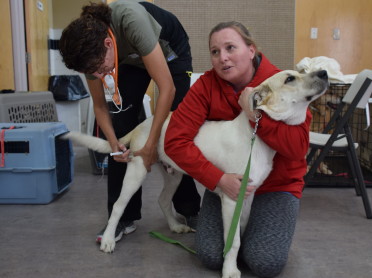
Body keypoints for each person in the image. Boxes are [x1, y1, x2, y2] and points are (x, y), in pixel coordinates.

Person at [164, 21, 310, 277]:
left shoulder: (282, 81)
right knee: (209, 256)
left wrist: (254, 117)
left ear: (251, 50)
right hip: (227, 182)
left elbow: (298, 148)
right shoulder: (206, 86)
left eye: (230, 47)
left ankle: (262, 233)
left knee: (265, 263)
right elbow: (175, 141)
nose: (223, 58)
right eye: (215, 52)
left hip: (276, 186)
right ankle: (246, 234)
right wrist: (218, 179)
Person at [59, 0, 201, 243]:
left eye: (99, 68)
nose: (98, 75)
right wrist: (114, 144)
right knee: (122, 122)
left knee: (177, 129)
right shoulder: (90, 58)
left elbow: (166, 88)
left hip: (170, 50)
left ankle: (190, 210)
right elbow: (101, 106)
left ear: (107, 44)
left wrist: (150, 146)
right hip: (130, 59)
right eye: (92, 72)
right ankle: (124, 216)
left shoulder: (131, 19)